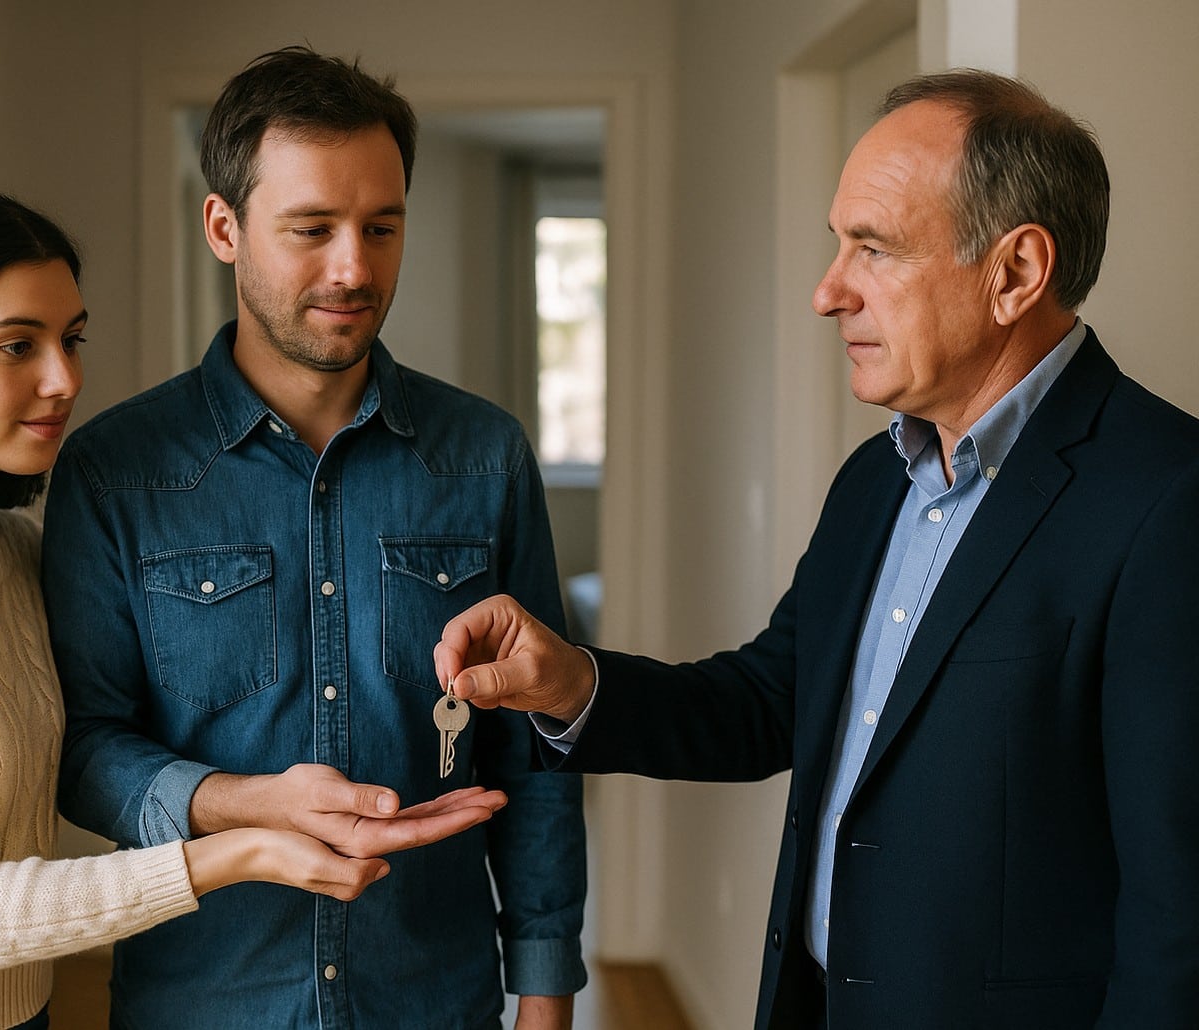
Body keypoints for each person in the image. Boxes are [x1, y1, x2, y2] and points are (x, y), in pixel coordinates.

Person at [436, 69, 1199, 1030]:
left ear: (1014, 273)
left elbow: (1179, 921)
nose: (827, 291)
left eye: (873, 248)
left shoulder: (1168, 501)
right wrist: (573, 684)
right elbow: (770, 701)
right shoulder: (876, 478)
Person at [0, 182, 503, 1030]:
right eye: (17, 345)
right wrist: (240, 849)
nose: (63, 379)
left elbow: (84, 757)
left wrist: (257, 805)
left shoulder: (18, 555)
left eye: (71, 339)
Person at [41, 46, 587, 1029]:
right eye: (312, 228)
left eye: (382, 227)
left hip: (433, 999)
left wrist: (545, 992)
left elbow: (535, 747)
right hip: (204, 1003)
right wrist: (243, 803)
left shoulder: (485, 457)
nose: (354, 268)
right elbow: (83, 748)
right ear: (224, 227)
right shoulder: (114, 472)